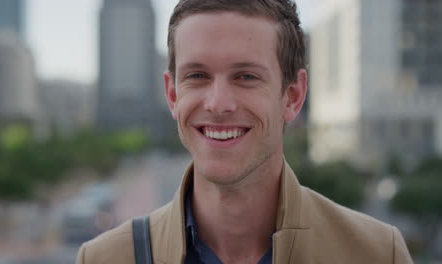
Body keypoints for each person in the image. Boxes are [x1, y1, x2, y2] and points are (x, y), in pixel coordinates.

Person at [76, 0, 413, 263]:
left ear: (293, 96)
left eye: (246, 76)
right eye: (197, 76)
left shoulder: (379, 254)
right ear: (173, 95)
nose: (218, 103)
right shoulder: (105, 259)